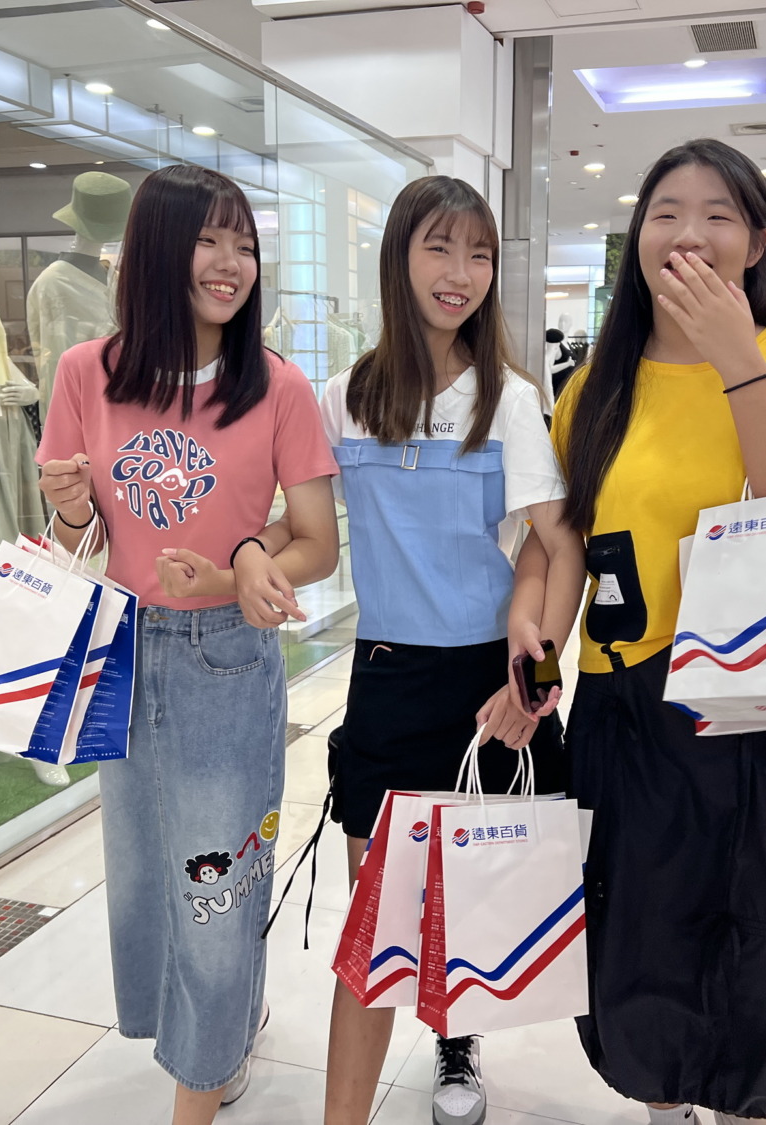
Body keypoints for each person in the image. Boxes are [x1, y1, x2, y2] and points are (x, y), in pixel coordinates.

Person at [255, 174, 584, 1125]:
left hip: (490, 682)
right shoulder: (342, 398)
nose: (460, 272)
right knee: (377, 922)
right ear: (398, 255)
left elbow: (559, 546)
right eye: (440, 246)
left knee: (469, 896)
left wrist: (538, 686)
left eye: (479, 253)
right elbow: (299, 522)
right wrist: (245, 555)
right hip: (388, 680)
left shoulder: (510, 401)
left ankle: (456, 1039)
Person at [545, 138, 766, 1124]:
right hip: (627, 710)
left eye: (719, 215)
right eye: (667, 213)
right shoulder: (595, 386)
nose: (690, 233)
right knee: (643, 946)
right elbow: (562, 545)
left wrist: (737, 360)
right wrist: (534, 662)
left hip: (763, 714)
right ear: (637, 238)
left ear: (757, 242)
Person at [36, 164, 340, 1125]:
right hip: (120, 652)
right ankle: (222, 1040)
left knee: (214, 886)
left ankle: (196, 1094)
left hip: (226, 655)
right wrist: (68, 505)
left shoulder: (277, 386)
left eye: (244, 244)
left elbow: (318, 542)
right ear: (158, 250)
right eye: (209, 240)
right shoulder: (85, 372)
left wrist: (243, 566)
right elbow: (79, 538)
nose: (230, 263)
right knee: (143, 883)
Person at [546, 327, 576, 398]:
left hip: (563, 383)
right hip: (559, 384)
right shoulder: (554, 349)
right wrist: (568, 364)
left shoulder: (554, 348)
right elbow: (550, 369)